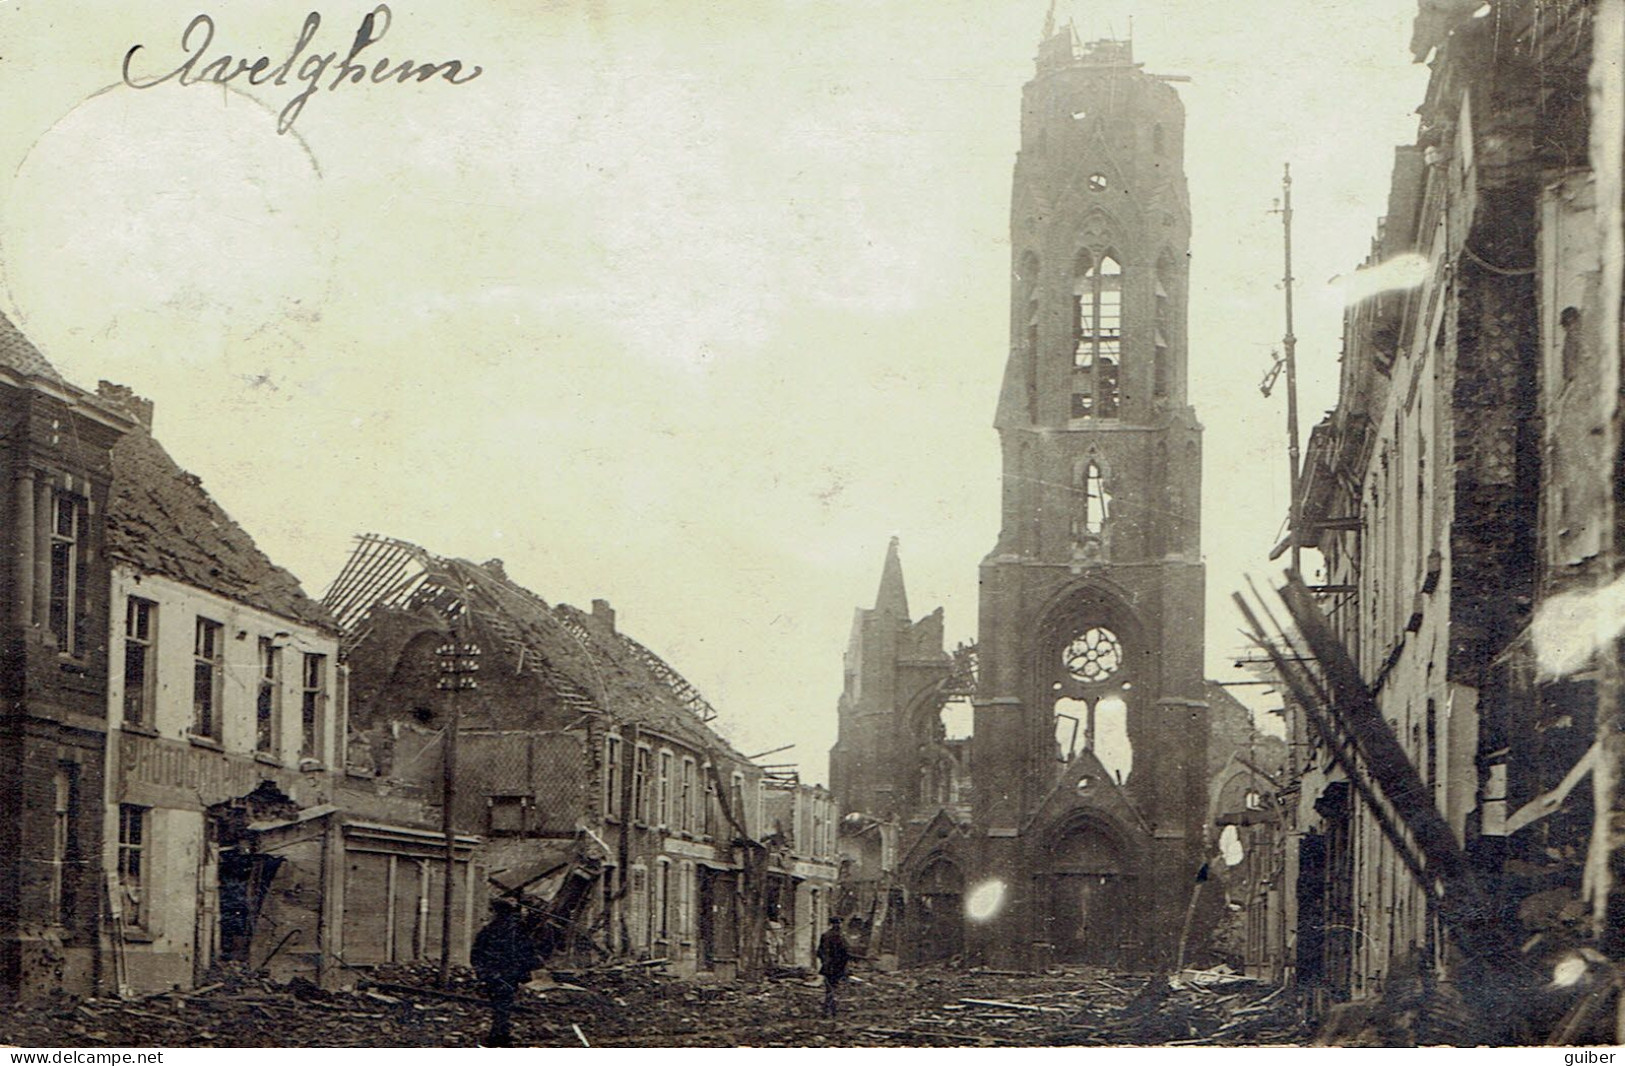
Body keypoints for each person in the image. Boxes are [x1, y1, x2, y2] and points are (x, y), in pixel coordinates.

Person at [471, 898, 539, 1047]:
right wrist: (525, 973)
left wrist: (482, 973)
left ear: (497, 912)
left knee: (500, 1005)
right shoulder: (517, 930)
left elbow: (476, 954)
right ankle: (501, 1035)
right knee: (504, 1005)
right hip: (509, 974)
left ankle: (499, 1036)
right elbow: (527, 952)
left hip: (495, 974)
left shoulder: (489, 930)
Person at [816, 915, 851, 1018]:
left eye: (839, 923)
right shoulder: (839, 937)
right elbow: (845, 953)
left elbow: (819, 952)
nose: (839, 925)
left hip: (829, 966)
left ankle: (828, 1010)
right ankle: (830, 1011)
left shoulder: (826, 935)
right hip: (837, 966)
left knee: (830, 988)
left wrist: (824, 961)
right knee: (833, 989)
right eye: (837, 923)